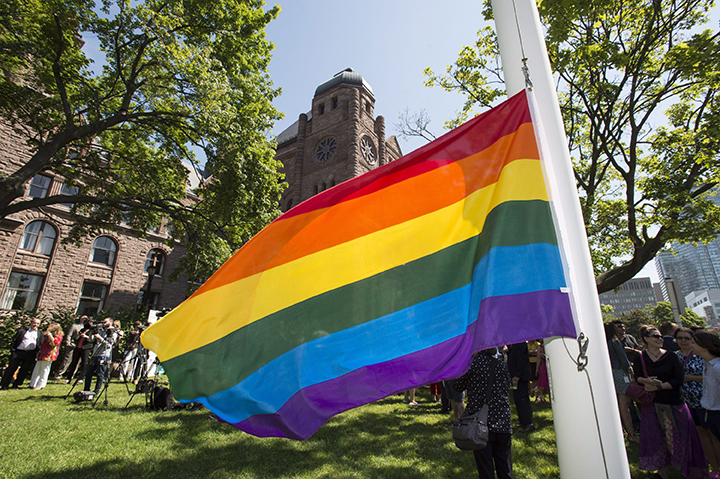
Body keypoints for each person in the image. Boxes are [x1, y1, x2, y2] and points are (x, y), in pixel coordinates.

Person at [633, 325, 708, 479]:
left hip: (674, 402)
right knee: (656, 438)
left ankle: (689, 469)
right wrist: (645, 381)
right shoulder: (640, 357)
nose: (660, 339)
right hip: (652, 404)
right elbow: (637, 377)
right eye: (655, 336)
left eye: (660, 336)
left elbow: (678, 380)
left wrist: (659, 387)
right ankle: (662, 474)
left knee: (682, 437)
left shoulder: (671, 356)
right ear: (646, 339)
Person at [455, 348, 513, 479]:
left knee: (485, 470)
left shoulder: (471, 366)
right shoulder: (502, 366)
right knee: (505, 468)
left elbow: (457, 386)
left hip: (480, 423)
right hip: (502, 421)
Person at [691, 331, 720, 477]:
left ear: (704, 347)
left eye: (693, 342)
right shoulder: (706, 363)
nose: (691, 345)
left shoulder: (717, 366)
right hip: (710, 411)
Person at [605, 322, 638, 443]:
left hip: (608, 373)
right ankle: (631, 433)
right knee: (625, 404)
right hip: (620, 372)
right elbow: (623, 357)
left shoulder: (603, 342)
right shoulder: (614, 341)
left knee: (615, 404)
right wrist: (630, 371)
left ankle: (621, 430)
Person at [0, 318, 43, 389]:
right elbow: (14, 341)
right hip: (18, 352)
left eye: (37, 323)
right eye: (34, 323)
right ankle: (4, 384)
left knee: (24, 370)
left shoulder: (39, 333)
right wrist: (13, 351)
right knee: (11, 368)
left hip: (30, 353)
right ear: (31, 323)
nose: (35, 325)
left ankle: (16, 384)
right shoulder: (22, 331)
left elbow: (40, 344)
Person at [83, 318, 118, 395]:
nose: (103, 323)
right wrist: (92, 332)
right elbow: (90, 340)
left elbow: (109, 345)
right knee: (88, 373)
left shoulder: (113, 333)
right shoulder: (101, 331)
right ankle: (86, 390)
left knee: (100, 374)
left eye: (105, 322)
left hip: (104, 355)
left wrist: (100, 338)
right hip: (95, 354)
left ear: (110, 322)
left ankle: (96, 391)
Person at [507, 341, 534, 432]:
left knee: (522, 399)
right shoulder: (514, 344)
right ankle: (523, 421)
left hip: (520, 377)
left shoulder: (519, 343)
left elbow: (522, 360)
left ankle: (528, 423)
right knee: (518, 399)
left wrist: (517, 375)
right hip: (516, 376)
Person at [29, 323, 63, 390]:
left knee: (44, 370)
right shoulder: (47, 336)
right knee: (37, 369)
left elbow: (53, 344)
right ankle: (32, 384)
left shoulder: (58, 336)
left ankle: (41, 385)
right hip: (42, 354)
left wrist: (50, 335)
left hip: (49, 356)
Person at [53, 316, 84, 380]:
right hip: (72, 345)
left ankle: (72, 375)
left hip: (81, 347)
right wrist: (68, 343)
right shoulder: (75, 326)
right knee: (67, 360)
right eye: (83, 318)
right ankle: (59, 374)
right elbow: (69, 335)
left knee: (78, 362)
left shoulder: (87, 328)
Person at [64, 316, 92, 383]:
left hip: (86, 347)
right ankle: (69, 378)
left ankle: (81, 378)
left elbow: (92, 340)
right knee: (74, 362)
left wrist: (86, 336)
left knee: (84, 363)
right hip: (78, 347)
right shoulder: (82, 329)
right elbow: (76, 338)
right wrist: (78, 336)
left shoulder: (91, 331)